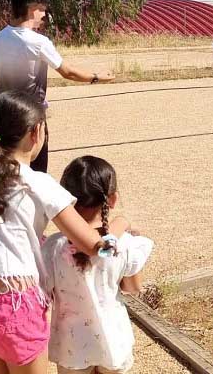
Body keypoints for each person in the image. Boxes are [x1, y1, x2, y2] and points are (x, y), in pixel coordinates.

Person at [0, 92, 116, 374]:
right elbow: (96, 247)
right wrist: (120, 227)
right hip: (13, 305)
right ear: (36, 132)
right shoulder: (37, 182)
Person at [43, 156, 153, 374]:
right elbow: (132, 288)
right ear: (112, 199)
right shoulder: (124, 243)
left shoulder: (53, 248)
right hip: (113, 341)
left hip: (71, 346)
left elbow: (44, 292)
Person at [0, 0, 115, 172]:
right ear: (32, 9)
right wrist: (97, 77)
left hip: (1, 114)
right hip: (29, 117)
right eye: (42, 10)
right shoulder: (38, 42)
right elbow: (67, 72)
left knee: (6, 170)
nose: (44, 16)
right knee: (36, 171)